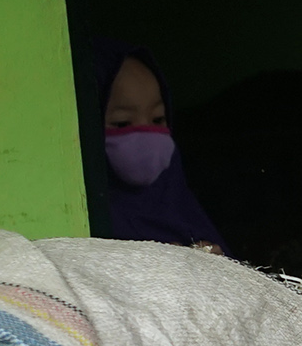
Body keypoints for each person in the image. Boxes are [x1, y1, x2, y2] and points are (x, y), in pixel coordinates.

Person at [76, 36, 227, 250]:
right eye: (122, 123)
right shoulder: (81, 219)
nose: (147, 135)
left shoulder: (177, 202)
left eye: (158, 119)